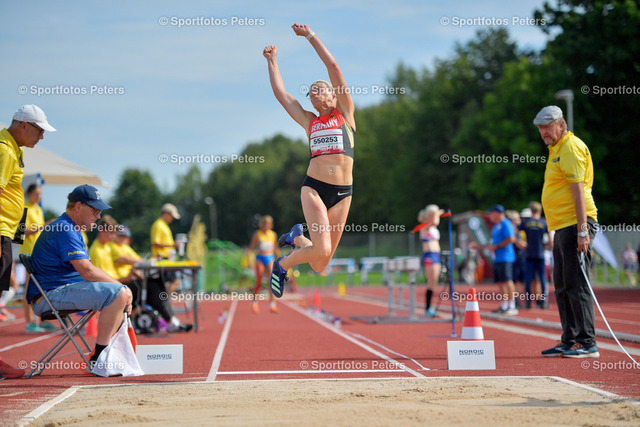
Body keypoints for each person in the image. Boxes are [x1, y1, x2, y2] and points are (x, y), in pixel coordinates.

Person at [264, 24, 356, 297]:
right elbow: (282, 95)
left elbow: (333, 66)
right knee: (322, 249)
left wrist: (310, 36)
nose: (314, 94)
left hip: (343, 194)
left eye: (320, 90)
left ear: (334, 95)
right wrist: (272, 61)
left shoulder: (345, 114)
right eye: (311, 92)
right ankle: (282, 265)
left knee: (319, 263)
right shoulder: (309, 121)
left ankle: (297, 238)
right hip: (314, 189)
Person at [26, 184, 134, 372]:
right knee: (119, 294)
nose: (98, 216)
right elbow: (88, 271)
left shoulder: (71, 229)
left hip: (55, 291)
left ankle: (102, 356)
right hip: (48, 296)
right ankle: (100, 359)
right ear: (78, 206)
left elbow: (89, 271)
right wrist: (122, 287)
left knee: (120, 293)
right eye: (95, 210)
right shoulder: (64, 228)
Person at [534, 105, 600, 358]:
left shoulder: (570, 147)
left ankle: (587, 342)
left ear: (561, 125)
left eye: (547, 127)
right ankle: (570, 339)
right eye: (540, 129)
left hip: (576, 224)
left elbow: (578, 193)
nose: (543, 133)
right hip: (562, 226)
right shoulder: (556, 149)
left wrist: (583, 232)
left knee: (576, 282)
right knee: (561, 284)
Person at [0, 105, 55, 379]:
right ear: (23, 125)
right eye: (39, 130)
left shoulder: (14, 149)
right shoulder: (5, 150)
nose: (41, 137)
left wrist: (15, 237)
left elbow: (12, 200)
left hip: (8, 234)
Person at [96, 220, 192, 333]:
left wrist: (142, 265)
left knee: (156, 284)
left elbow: (137, 260)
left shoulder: (113, 247)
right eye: (115, 234)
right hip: (119, 285)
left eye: (122, 236)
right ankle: (169, 321)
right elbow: (110, 273)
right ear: (102, 232)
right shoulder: (106, 248)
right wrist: (129, 276)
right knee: (152, 288)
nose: (116, 237)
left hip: (122, 282)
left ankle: (170, 320)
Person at [16, 184, 58, 332]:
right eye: (36, 194)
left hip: (41, 251)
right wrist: (44, 226)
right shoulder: (24, 208)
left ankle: (42, 320)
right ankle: (29, 323)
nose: (39, 196)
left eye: (40, 194)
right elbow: (23, 231)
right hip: (29, 252)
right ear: (28, 194)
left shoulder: (39, 209)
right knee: (29, 287)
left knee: (42, 287)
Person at [471, 205, 518, 315]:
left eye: (491, 213)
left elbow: (511, 239)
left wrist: (496, 247)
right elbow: (492, 243)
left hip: (505, 257)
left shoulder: (506, 223)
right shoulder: (496, 226)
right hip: (497, 258)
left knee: (507, 280)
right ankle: (504, 305)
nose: (490, 216)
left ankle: (512, 305)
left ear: (497, 213)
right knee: (500, 282)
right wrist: (478, 247)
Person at [519, 202, 550, 308]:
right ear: (540, 210)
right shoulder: (544, 223)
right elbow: (550, 239)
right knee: (542, 279)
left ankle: (528, 302)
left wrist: (521, 243)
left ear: (530, 210)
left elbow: (515, 232)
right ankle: (543, 302)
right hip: (540, 254)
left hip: (529, 254)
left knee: (528, 279)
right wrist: (546, 245)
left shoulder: (526, 223)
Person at [248, 215, 281, 313]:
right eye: (264, 224)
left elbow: (275, 249)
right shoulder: (257, 235)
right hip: (260, 258)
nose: (266, 226)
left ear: (271, 225)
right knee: (259, 281)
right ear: (261, 225)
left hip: (270, 258)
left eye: (268, 224)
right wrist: (250, 261)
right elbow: (250, 249)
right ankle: (254, 302)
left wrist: (279, 260)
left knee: (271, 281)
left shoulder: (273, 235)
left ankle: (272, 304)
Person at [418, 205, 444, 317]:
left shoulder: (433, 228)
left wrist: (436, 214)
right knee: (431, 280)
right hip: (429, 255)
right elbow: (435, 222)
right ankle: (427, 307)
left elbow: (435, 223)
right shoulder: (424, 226)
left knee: (434, 282)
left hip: (436, 255)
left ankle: (430, 307)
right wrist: (437, 214)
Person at [150, 203, 181, 294]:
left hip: (167, 259)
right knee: (173, 281)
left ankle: (164, 300)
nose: (172, 219)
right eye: (172, 216)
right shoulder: (158, 225)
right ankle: (164, 300)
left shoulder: (164, 225)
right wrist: (172, 245)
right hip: (162, 259)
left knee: (166, 284)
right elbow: (155, 244)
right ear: (166, 213)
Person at [507, 210, 526, 309]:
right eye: (518, 219)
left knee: (518, 280)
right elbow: (519, 244)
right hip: (517, 258)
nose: (520, 221)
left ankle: (515, 300)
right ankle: (514, 301)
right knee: (516, 280)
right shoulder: (513, 230)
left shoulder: (515, 229)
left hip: (518, 257)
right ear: (513, 220)